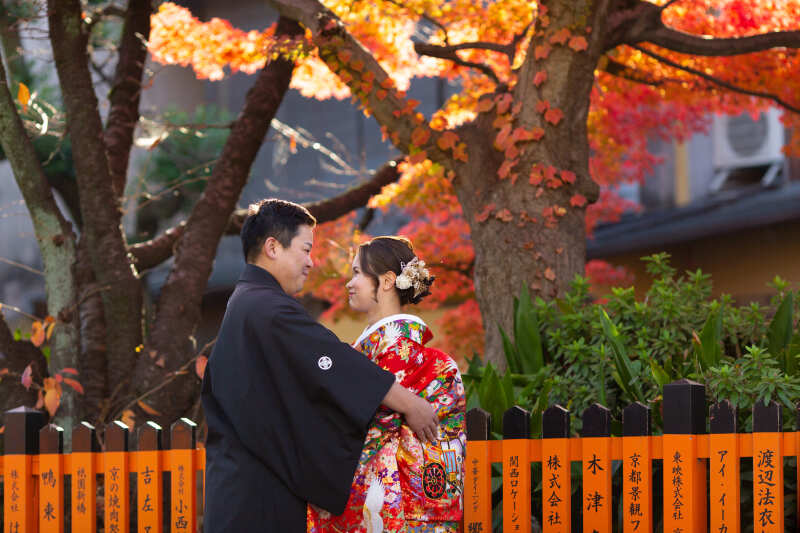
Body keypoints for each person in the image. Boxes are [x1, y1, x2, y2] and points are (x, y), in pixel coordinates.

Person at [202, 200, 440, 532]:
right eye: (305, 249)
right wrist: (408, 402)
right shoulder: (264, 307)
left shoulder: (247, 303)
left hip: (241, 492)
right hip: (256, 502)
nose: (311, 262)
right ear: (272, 247)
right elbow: (331, 361)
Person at [308, 236, 466, 533]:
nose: (349, 283)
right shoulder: (436, 364)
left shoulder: (404, 361)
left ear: (387, 281)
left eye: (357, 273)